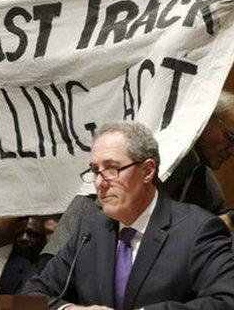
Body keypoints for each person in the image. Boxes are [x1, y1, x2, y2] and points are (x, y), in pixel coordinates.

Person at [21, 121, 234, 309]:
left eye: (112, 168)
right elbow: (30, 295)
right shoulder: (90, 230)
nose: (100, 182)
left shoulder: (198, 229)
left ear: (148, 170)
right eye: (95, 171)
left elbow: (225, 301)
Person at [41, 91, 234, 268]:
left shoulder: (203, 179)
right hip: (76, 257)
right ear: (206, 119)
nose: (232, 150)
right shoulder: (160, 153)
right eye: (230, 137)